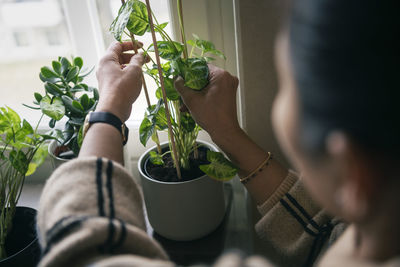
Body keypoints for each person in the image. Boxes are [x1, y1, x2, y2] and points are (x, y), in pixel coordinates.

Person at [37, 0, 400, 266]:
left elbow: (84, 251)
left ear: (353, 173)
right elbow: (323, 234)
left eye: (286, 86)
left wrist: (110, 109)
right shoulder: (376, 231)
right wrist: (225, 131)